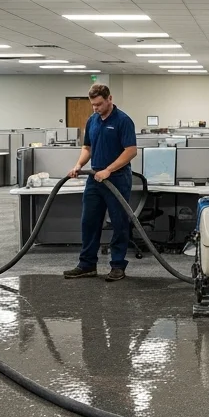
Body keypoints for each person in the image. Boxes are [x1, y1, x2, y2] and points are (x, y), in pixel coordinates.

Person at [64, 83, 137, 282]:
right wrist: (79, 164)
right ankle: (87, 264)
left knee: (119, 222)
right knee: (89, 222)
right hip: (94, 179)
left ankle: (117, 266)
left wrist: (109, 170)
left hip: (117, 179)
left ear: (109, 99)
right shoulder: (92, 120)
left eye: (99, 104)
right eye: (93, 105)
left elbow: (131, 151)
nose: (95, 108)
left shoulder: (123, 120)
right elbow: (87, 147)